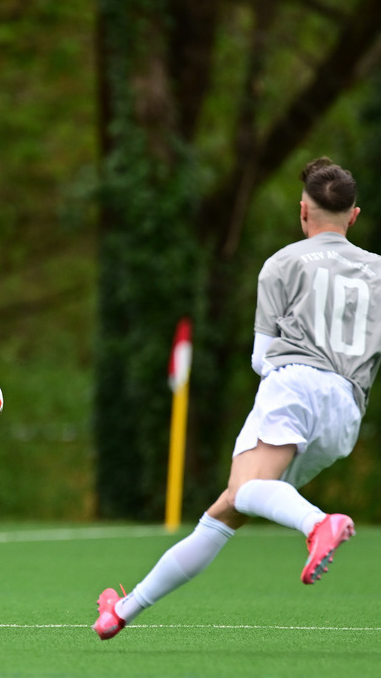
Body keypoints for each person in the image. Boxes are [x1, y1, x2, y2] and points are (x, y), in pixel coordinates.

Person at [93, 156, 381, 640]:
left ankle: (318, 524)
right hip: (347, 409)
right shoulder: (378, 270)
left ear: (303, 212)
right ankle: (121, 611)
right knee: (228, 507)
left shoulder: (283, 263)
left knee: (247, 489)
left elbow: (261, 357)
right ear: (353, 216)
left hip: (294, 385)